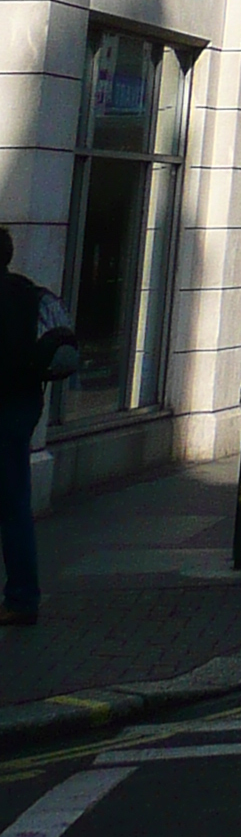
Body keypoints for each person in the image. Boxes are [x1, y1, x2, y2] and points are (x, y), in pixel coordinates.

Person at [0, 227, 69, 627]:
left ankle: (23, 598)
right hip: (25, 404)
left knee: (12, 505)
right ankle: (21, 595)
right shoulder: (28, 293)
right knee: (14, 503)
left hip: (5, 404)